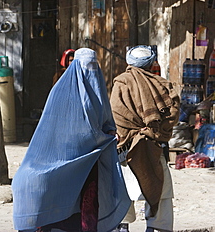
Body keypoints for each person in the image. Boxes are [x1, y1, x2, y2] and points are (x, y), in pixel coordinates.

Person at [12, 48, 131, 232]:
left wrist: (110, 133)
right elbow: (53, 128)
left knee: (86, 204)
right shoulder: (60, 92)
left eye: (93, 67)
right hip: (62, 158)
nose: (90, 72)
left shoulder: (98, 94)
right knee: (61, 196)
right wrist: (100, 138)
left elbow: (106, 122)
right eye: (86, 67)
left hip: (90, 162)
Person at [110, 45, 180, 232]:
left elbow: (117, 116)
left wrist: (133, 132)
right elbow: (171, 115)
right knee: (160, 187)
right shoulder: (162, 84)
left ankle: (122, 225)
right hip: (155, 145)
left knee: (124, 190)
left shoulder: (121, 83)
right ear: (151, 63)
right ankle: (157, 227)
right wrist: (153, 131)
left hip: (127, 148)